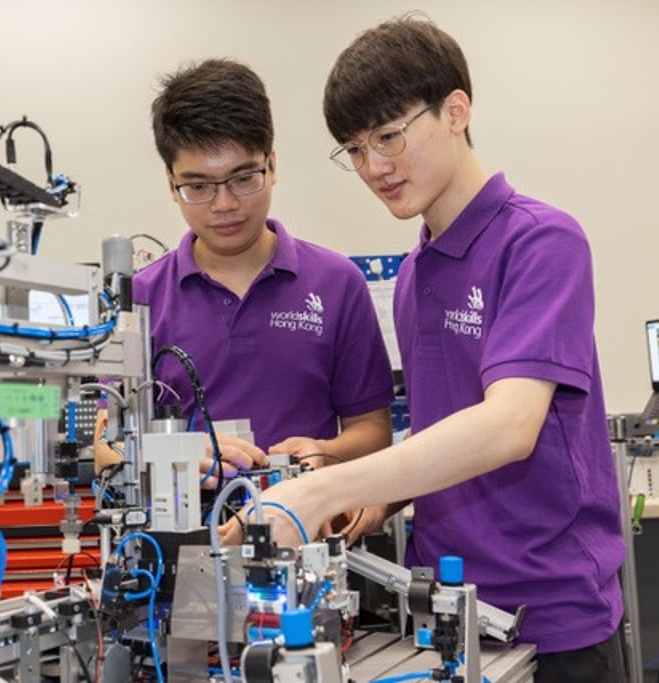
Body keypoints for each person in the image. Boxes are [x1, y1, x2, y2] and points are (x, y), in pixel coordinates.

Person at [222, 16, 627, 682]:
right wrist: (375, 503)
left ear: (456, 110)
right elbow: (444, 437)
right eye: (353, 149)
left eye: (388, 136)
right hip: (441, 612)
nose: (373, 167)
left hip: (550, 620)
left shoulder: (542, 241)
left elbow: (508, 425)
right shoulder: (415, 274)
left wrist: (321, 491)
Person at [96, 58, 395, 493]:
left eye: (243, 178)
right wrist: (174, 454)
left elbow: (372, 430)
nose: (224, 205)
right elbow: (106, 445)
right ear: (170, 181)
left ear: (272, 165)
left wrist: (324, 452)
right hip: (180, 543)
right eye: (198, 186)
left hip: (307, 537)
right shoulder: (138, 299)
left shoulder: (336, 282)